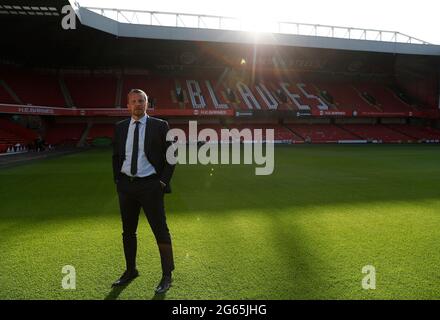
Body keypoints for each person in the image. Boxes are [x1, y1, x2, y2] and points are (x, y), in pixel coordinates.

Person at [112, 89, 176, 294]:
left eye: (141, 101)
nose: (138, 104)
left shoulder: (160, 125)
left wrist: (162, 183)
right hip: (127, 186)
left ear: (147, 104)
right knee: (128, 232)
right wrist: (118, 180)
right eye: (134, 101)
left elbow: (172, 156)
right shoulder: (120, 128)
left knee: (160, 230)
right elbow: (116, 156)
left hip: (151, 186)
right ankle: (131, 270)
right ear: (128, 105)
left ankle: (167, 275)